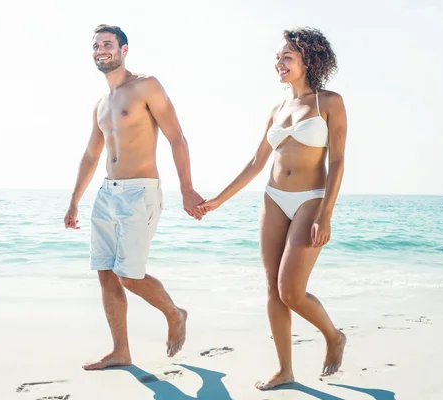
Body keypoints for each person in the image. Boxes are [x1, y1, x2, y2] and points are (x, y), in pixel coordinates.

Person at [197, 27, 348, 390]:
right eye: (278, 57)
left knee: (291, 291)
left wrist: (326, 214)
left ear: (308, 60)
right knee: (271, 289)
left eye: (287, 57)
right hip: (273, 198)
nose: (279, 63)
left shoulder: (329, 102)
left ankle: (333, 335)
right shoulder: (277, 109)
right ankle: (285, 370)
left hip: (311, 198)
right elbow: (255, 163)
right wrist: (218, 200)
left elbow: (338, 162)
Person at [64, 24, 205, 371]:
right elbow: (90, 156)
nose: (101, 50)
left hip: (140, 191)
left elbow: (176, 137)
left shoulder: (146, 85)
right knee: (105, 273)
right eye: (96, 45)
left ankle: (175, 314)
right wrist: (74, 202)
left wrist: (187, 189)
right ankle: (120, 351)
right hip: (106, 193)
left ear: (124, 49)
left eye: (107, 44)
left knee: (129, 274)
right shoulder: (101, 105)